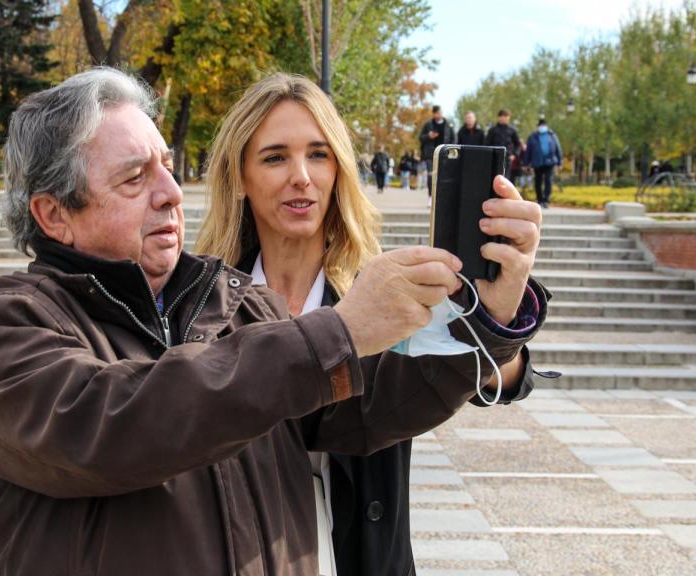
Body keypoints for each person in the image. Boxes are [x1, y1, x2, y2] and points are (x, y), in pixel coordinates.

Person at [0, 67, 545, 576]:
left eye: (167, 166)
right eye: (135, 177)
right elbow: (109, 423)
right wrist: (340, 332)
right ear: (54, 214)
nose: (170, 194)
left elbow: (368, 411)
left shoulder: (233, 301)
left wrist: (488, 317)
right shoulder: (4, 323)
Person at [195, 73, 549, 576]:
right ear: (238, 176)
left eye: (318, 154)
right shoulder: (199, 307)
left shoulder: (384, 291)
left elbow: (478, 377)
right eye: (275, 157)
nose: (302, 176)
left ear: (339, 169)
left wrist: (496, 318)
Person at [420, 105, 456, 205]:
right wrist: (429, 136)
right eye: (436, 113)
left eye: (439, 112)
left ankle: (441, 197)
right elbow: (421, 138)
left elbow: (453, 139)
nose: (438, 115)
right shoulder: (428, 124)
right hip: (430, 154)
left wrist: (451, 150)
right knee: (431, 175)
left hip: (444, 154)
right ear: (433, 114)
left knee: (443, 176)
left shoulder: (448, 124)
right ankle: (430, 197)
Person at [524, 118, 563, 208]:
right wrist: (526, 163)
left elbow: (558, 148)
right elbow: (528, 151)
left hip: (549, 162)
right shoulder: (533, 136)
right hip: (537, 162)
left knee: (548, 180)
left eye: (543, 125)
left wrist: (559, 162)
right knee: (538, 181)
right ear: (538, 127)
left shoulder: (552, 135)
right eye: (540, 126)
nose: (542, 127)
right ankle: (540, 199)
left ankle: (546, 199)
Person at [485, 109, 524, 182]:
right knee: (494, 179)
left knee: (506, 180)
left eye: (506, 116)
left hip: (507, 159)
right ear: (498, 117)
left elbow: (518, 144)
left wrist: (514, 155)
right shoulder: (492, 130)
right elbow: (487, 144)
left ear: (508, 118)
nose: (503, 118)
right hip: (494, 158)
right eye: (501, 116)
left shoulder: (512, 130)